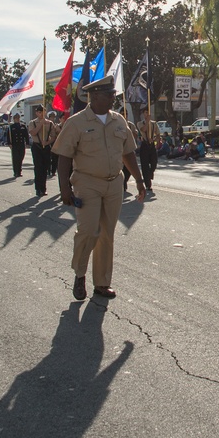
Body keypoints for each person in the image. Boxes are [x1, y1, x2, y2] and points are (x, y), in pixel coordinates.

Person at [53, 75, 145, 301]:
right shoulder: (76, 122)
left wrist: (140, 182)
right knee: (88, 231)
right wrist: (65, 189)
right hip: (87, 183)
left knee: (106, 235)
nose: (113, 98)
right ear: (93, 97)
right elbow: (64, 157)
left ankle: (102, 283)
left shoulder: (119, 121)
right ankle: (80, 274)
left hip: (114, 183)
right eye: (108, 95)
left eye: (113, 94)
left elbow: (128, 153)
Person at [28, 104, 57, 196]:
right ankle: (38, 188)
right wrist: (41, 123)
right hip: (36, 146)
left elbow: (53, 136)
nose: (41, 114)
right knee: (38, 167)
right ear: (36, 113)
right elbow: (33, 132)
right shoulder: (32, 122)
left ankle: (43, 188)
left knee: (45, 168)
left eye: (43, 111)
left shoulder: (50, 123)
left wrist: (48, 142)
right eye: (39, 112)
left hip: (45, 147)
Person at [137, 106, 159, 194]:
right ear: (143, 114)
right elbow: (143, 129)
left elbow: (158, 134)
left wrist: (154, 140)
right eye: (145, 113)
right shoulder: (140, 123)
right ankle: (148, 184)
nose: (147, 114)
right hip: (144, 145)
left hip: (151, 145)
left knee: (154, 163)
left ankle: (150, 174)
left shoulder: (154, 124)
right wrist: (147, 121)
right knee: (145, 166)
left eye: (148, 113)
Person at [7, 113, 29, 178]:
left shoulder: (23, 126)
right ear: (14, 119)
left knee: (21, 157)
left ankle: (19, 170)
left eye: (18, 118)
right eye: (16, 118)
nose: (17, 119)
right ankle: (16, 172)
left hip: (21, 144)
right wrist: (9, 143)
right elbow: (8, 136)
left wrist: (27, 143)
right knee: (15, 158)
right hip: (14, 144)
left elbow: (26, 135)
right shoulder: (11, 127)